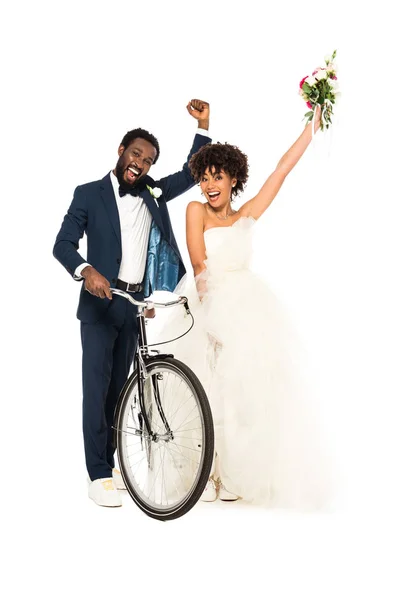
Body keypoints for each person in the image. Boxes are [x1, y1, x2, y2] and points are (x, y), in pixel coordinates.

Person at [149, 106, 332, 507]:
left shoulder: (246, 214)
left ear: (234, 180)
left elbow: (280, 171)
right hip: (207, 301)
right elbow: (199, 262)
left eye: (219, 176)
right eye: (205, 177)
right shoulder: (195, 211)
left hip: (245, 306)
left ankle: (231, 474)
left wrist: (309, 130)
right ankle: (205, 474)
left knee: (240, 389)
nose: (210, 184)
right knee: (203, 382)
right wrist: (211, 317)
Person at [53, 99, 211, 507]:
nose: (140, 162)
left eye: (148, 159)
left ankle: (112, 461)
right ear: (121, 152)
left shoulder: (154, 193)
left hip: (134, 303)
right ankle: (98, 474)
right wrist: (86, 271)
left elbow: (190, 172)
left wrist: (204, 126)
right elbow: (63, 244)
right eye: (136, 153)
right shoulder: (88, 193)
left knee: (121, 390)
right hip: (98, 304)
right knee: (97, 387)